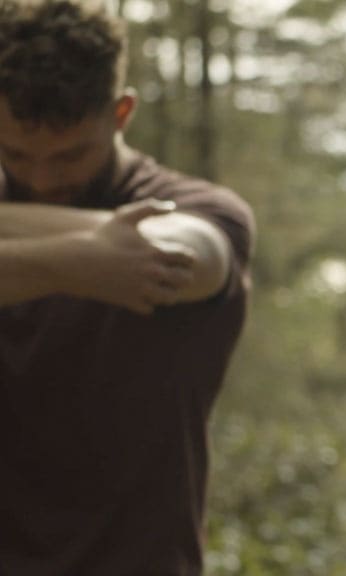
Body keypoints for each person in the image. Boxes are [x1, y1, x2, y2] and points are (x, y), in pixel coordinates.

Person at [0, 1, 254, 574]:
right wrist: (83, 259)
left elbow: (182, 252)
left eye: (69, 155)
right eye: (16, 154)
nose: (41, 179)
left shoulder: (207, 210)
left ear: (121, 113)